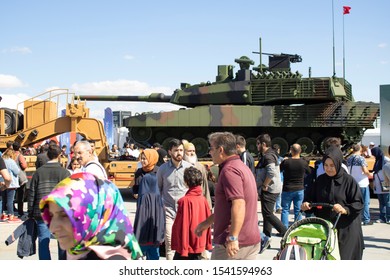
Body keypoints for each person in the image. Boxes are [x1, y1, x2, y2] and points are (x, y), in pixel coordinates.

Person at [39, 172, 144, 260]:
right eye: (51, 216)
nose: (52, 228)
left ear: (95, 215)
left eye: (65, 215)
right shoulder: (80, 251)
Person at [195, 132, 260, 260]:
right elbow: (226, 207)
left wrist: (233, 237)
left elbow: (239, 203)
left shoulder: (229, 170)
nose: (209, 152)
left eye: (211, 149)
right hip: (249, 240)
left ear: (221, 150)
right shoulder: (241, 166)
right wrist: (207, 223)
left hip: (234, 245)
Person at [302, 146, 364, 260]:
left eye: (332, 165)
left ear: (338, 163)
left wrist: (345, 209)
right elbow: (311, 200)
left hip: (346, 231)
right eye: (326, 165)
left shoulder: (349, 181)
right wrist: (307, 205)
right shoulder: (320, 180)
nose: (329, 169)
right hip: (326, 230)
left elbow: (358, 203)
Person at [28, 144, 71, 260]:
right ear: (59, 155)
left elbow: (32, 193)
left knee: (43, 240)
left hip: (42, 212)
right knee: (62, 240)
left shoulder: (38, 172)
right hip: (60, 212)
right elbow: (69, 194)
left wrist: (30, 212)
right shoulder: (65, 173)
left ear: (47, 155)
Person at [157, 138, 192, 260]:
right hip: (169, 212)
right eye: (176, 150)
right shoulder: (163, 169)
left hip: (185, 213)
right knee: (170, 244)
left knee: (185, 244)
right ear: (170, 152)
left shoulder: (189, 168)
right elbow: (158, 189)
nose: (179, 153)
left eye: (181, 150)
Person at [172, 166, 212, 260]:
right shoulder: (203, 199)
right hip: (199, 242)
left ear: (186, 182)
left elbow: (181, 225)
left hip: (187, 245)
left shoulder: (184, 201)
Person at [133, 149, 165, 260]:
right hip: (143, 207)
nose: (142, 161)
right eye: (141, 158)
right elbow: (135, 188)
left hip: (156, 207)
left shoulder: (159, 171)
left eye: (144, 158)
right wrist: (136, 194)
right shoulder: (139, 172)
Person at [255, 134, 287, 240]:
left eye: (258, 144)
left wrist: (265, 184)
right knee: (266, 214)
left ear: (264, 144)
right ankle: (266, 237)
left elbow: (271, 172)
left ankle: (286, 232)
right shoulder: (270, 154)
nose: (257, 146)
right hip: (273, 188)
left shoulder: (268, 156)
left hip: (269, 189)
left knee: (268, 214)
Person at [279, 143, 311, 229]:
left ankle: (284, 229)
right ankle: (298, 228)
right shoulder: (303, 163)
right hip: (299, 189)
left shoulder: (286, 162)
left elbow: (279, 169)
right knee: (298, 210)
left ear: (291, 151)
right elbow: (309, 172)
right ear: (300, 151)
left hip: (287, 189)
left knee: (285, 210)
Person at [346, 144, 373, 225]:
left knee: (354, 202)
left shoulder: (349, 159)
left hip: (353, 183)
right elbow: (365, 170)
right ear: (360, 149)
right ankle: (366, 219)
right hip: (362, 183)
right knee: (365, 202)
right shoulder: (361, 159)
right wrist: (370, 174)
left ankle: (355, 218)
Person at [183, 141, 212, 208]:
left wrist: (208, 206)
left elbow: (205, 186)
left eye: (193, 151)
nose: (192, 153)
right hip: (186, 200)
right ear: (184, 152)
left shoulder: (200, 167)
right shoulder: (181, 167)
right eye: (189, 151)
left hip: (199, 201)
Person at [371, 146, 390, 223]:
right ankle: (382, 217)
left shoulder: (385, 160)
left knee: (387, 202)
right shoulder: (377, 160)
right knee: (381, 202)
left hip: (385, 183)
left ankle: (388, 217)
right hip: (378, 184)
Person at [1, 148, 21, 222]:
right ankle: (11, 215)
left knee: (3, 200)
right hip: (11, 183)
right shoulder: (11, 161)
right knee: (10, 200)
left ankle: (2, 214)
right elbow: (17, 171)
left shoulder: (2, 160)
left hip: (2, 182)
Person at [12, 141, 28, 217]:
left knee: (11, 195)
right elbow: (24, 166)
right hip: (20, 177)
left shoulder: (10, 155)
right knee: (21, 195)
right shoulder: (19, 155)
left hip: (12, 177)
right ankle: (20, 211)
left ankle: (11, 210)